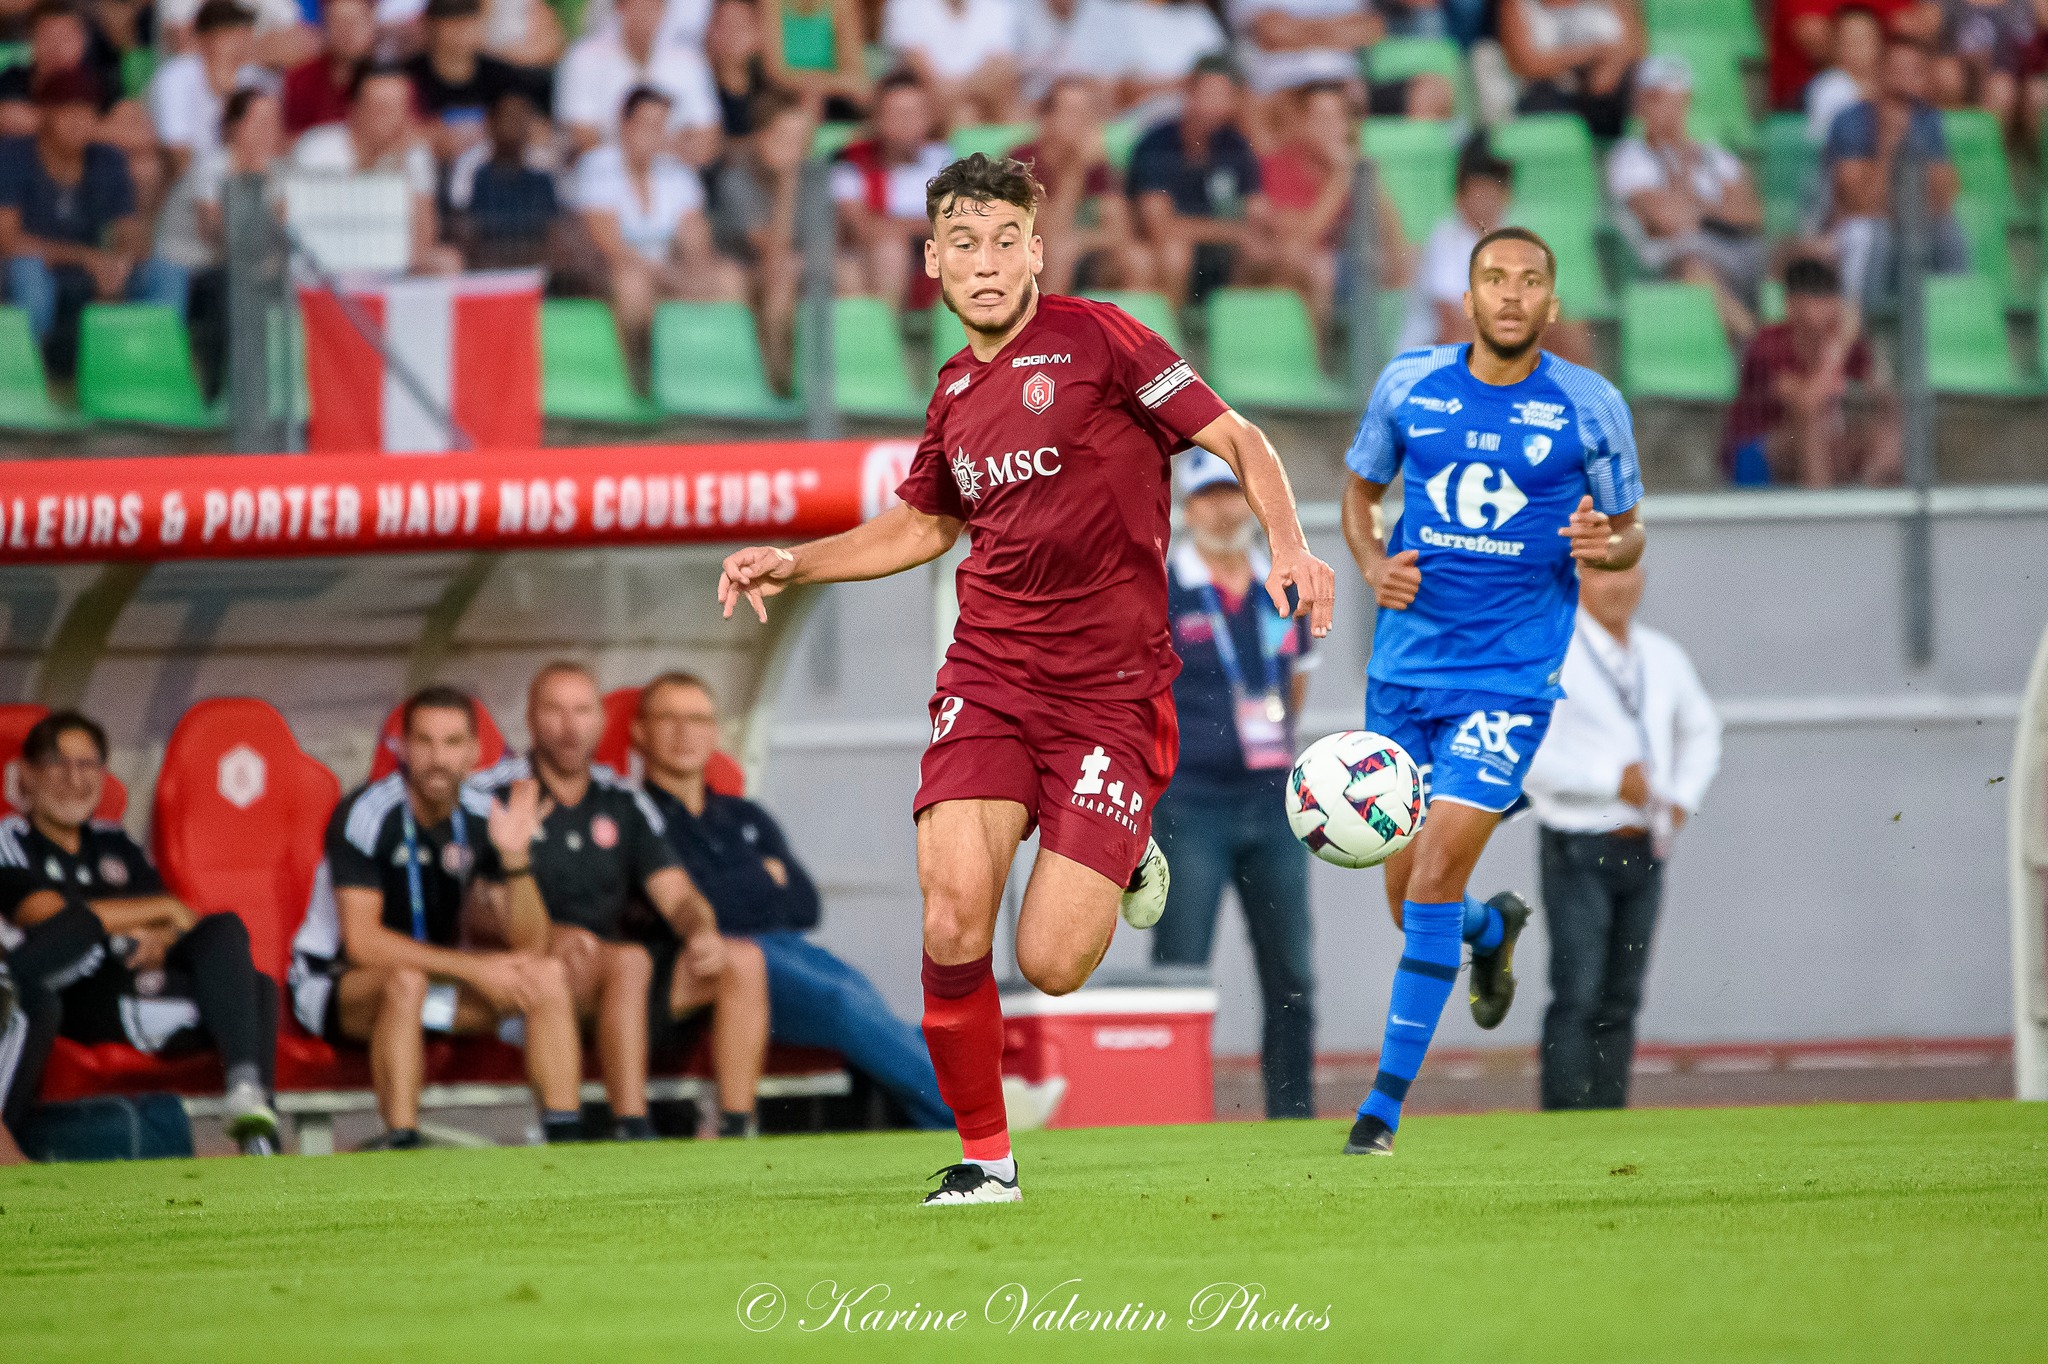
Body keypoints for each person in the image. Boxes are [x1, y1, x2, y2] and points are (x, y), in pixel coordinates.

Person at [717, 152, 1335, 1204]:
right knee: (953, 916)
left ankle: (1121, 840)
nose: (987, 260)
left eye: (1006, 239)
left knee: (1049, 959)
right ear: (932, 262)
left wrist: (1289, 541)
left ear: (1036, 251)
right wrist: (798, 556)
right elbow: (924, 521)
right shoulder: (953, 390)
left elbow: (1235, 433)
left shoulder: (1099, 337)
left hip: (1108, 694)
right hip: (991, 676)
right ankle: (986, 1160)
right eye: (964, 242)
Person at [1338, 223, 1644, 1155]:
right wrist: (1370, 558)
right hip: (1402, 675)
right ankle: (1491, 929)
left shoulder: (1590, 406)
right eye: (1494, 279)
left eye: (1530, 282)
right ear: (1468, 300)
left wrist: (1607, 547)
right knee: (1411, 902)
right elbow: (1359, 494)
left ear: (1551, 305)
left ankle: (1378, 1115)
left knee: (1429, 870)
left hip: (1509, 682)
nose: (1511, 295)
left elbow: (1629, 531)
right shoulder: (1408, 384)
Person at [633, 671, 953, 1131]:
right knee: (841, 1002)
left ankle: (961, 1104)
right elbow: (689, 907)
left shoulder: (745, 814)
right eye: (669, 719)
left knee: (862, 992)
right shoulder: (640, 816)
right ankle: (967, 1112)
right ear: (640, 731)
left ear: (716, 732)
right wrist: (760, 878)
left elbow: (804, 904)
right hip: (717, 963)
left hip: (784, 945)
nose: (685, 733)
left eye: (698, 719)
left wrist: (726, 887)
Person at [289, 686, 584, 1151]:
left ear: (473, 752)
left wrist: (515, 859)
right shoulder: (366, 812)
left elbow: (530, 943)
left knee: (546, 974)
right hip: (338, 984)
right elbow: (362, 943)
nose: (437, 758)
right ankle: (403, 1143)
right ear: (402, 748)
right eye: (424, 742)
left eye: (451, 743)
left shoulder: (485, 814)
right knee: (403, 982)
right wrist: (474, 968)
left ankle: (568, 1140)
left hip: (438, 982)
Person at [488, 663, 770, 1140]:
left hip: (622, 987)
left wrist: (700, 931)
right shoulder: (496, 796)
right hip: (537, 980)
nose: (570, 726)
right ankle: (630, 1126)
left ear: (601, 720)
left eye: (582, 710)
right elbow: (478, 913)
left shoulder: (622, 801)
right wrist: (552, 934)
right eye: (555, 710)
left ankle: (737, 1129)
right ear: (531, 720)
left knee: (741, 959)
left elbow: (677, 892)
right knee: (624, 962)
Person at [0, 711, 282, 1155]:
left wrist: (160, 934)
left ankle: (250, 1104)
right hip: (74, 993)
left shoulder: (115, 843)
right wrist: (155, 912)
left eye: (86, 765)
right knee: (83, 925)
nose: (74, 779)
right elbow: (50, 917)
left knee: (240, 956)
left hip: (142, 985)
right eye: (59, 764)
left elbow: (181, 923)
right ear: (27, 776)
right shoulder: (13, 839)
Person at [1151, 450, 1321, 1120]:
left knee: (1292, 972)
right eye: (1210, 497)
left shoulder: (1281, 584)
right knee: (1181, 971)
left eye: (1233, 495)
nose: (1224, 509)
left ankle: (1293, 1115)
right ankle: (1175, 1114)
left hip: (1274, 801)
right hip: (1189, 802)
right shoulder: (1162, 587)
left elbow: (1297, 678)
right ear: (1186, 510)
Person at [1523, 561, 1719, 1111]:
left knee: (1623, 995)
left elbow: (1702, 729)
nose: (1618, 585)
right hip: (1577, 840)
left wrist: (1681, 795)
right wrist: (1612, 781)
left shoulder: (1661, 655)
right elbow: (1526, 756)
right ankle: (1564, 1119)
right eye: (1602, 572)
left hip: (1645, 844)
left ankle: (1608, 1115)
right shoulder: (1551, 653)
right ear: (1578, 576)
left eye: (1627, 570)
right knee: (1578, 992)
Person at [0, 67, 186, 373]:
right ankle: (24, 375)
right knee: (27, 271)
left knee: (166, 272)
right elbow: (7, 240)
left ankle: (152, 370)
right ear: (45, 113)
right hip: (25, 269)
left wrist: (121, 260)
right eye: (68, 112)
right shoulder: (13, 154)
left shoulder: (106, 157)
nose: (78, 123)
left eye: (87, 113)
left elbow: (129, 229)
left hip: (87, 269)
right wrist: (85, 257)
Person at [573, 85, 743, 378]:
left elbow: (696, 239)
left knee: (729, 279)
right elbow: (608, 243)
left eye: (661, 126)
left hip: (666, 268)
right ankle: (640, 378)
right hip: (613, 271)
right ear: (625, 126)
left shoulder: (677, 173)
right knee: (632, 285)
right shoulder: (597, 166)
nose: (654, 134)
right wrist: (663, 275)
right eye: (647, 125)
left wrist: (687, 272)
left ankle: (716, 375)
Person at [1397, 131, 1597, 365]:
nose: (1489, 200)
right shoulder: (1447, 237)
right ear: (1461, 194)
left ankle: (1570, 400)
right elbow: (1451, 322)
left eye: (1496, 189)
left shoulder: (1517, 238)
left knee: (1565, 329)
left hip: (1493, 350)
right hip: (1430, 361)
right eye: (1480, 190)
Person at [1606, 54, 1767, 344]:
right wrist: (1711, 205)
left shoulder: (1712, 154)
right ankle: (1758, 345)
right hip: (1667, 261)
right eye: (1654, 99)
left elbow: (1751, 214)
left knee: (1790, 257)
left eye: (1670, 99)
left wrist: (1692, 201)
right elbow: (1666, 221)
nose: (1662, 108)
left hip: (1733, 248)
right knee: (1694, 269)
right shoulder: (1629, 157)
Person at [1720, 255, 1901, 487]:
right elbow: (1806, 402)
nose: (1826, 308)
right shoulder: (1767, 343)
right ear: (1791, 304)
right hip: (1758, 449)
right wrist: (1839, 347)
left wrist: (1886, 403)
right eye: (1815, 298)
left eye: (1830, 297)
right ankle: (1821, 512)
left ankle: (1872, 505)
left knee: (1893, 418)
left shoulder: (1851, 345)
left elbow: (1877, 394)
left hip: (1825, 442)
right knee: (1809, 417)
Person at [1822, 34, 1969, 310]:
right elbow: (1859, 205)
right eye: (1896, 71)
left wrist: (1919, 145)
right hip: (1852, 229)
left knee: (1949, 233)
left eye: (1914, 72)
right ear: (1879, 74)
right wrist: (1888, 145)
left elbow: (1943, 201)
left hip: (1909, 219)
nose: (1904, 81)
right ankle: (1868, 329)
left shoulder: (1928, 120)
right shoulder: (1849, 122)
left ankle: (1952, 322)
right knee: (1878, 235)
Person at [1259, 79, 1410, 333]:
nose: (1330, 127)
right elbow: (1301, 239)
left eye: (1337, 118)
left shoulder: (1354, 165)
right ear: (1304, 123)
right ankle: (1321, 363)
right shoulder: (1280, 164)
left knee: (1414, 261)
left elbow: (1396, 245)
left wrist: (1369, 181)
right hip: (1299, 270)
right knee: (1318, 267)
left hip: (1350, 264)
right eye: (1321, 118)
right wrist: (1340, 178)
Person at [1127, 55, 1277, 310]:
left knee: (1262, 253)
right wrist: (1232, 232)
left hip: (1221, 251)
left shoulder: (1236, 145)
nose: (1212, 105)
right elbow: (1158, 225)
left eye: (1223, 96)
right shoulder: (1157, 143)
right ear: (1189, 93)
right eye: (1207, 94)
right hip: (1169, 248)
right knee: (1175, 254)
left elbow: (1256, 213)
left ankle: (1234, 335)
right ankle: (1165, 343)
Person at [292, 62, 465, 275]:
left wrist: (400, 163)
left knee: (447, 261)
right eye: (382, 108)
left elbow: (423, 244)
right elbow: (324, 231)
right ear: (355, 110)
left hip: (389, 269)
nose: (393, 119)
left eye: (400, 107)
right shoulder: (320, 149)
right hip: (327, 271)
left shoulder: (414, 155)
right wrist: (374, 163)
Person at [1005, 76, 1154, 296]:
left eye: (1086, 114)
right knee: (1058, 252)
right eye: (1072, 113)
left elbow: (1120, 230)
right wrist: (1076, 168)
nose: (1081, 122)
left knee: (1139, 259)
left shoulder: (1096, 163)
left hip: (1079, 249)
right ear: (1048, 119)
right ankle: (1044, 326)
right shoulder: (1022, 161)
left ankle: (1122, 330)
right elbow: (1047, 233)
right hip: (1022, 253)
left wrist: (1081, 241)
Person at [710, 85, 810, 392]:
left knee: (847, 275)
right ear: (762, 137)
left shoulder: (815, 178)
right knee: (782, 272)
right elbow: (772, 250)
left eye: (800, 140)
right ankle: (779, 381)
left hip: (799, 271)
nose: (795, 149)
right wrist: (788, 184)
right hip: (746, 275)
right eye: (785, 138)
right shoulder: (736, 179)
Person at [829, 72, 953, 306]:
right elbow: (861, 228)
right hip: (873, 260)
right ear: (877, 119)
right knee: (888, 251)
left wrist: (894, 226)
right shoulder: (852, 165)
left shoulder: (946, 162)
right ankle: (887, 338)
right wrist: (923, 226)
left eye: (914, 113)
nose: (907, 122)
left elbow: (958, 223)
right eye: (897, 114)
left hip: (938, 262)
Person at [557, 0, 720, 164]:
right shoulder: (584, 57)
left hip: (675, 179)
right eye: (639, 4)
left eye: (654, 5)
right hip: (604, 177)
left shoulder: (688, 59)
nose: (646, 13)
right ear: (620, 6)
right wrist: (668, 146)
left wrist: (639, 147)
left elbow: (707, 143)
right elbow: (582, 139)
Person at [146, 0, 264, 180]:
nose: (242, 43)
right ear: (206, 39)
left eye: (246, 34)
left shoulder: (250, 77)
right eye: (232, 34)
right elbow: (178, 153)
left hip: (234, 180)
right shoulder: (177, 76)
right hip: (180, 186)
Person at [446, 87, 562, 271]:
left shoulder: (543, 168)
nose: (515, 127)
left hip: (536, 261)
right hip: (483, 264)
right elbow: (461, 225)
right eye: (508, 118)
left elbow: (555, 228)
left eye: (521, 119)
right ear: (491, 123)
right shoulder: (470, 166)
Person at [403, 0, 530, 167]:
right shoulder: (408, 76)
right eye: (453, 24)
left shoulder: (503, 75)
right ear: (431, 26)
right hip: (426, 168)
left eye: (468, 22)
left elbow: (529, 127)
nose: (462, 32)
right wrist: (429, 137)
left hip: (490, 170)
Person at [1497, 0, 1644, 138]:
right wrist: (1592, 52)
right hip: (1546, 95)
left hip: (1612, 91)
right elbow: (1525, 63)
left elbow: (1634, 49)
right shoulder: (1518, 4)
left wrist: (1607, 70)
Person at [882, 0, 1022, 124]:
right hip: (930, 105)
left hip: (981, 104)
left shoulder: (996, 6)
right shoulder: (906, 5)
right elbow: (925, 77)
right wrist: (973, 85)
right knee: (964, 116)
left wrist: (957, 90)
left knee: (1014, 112)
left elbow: (999, 70)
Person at [281, 0, 377, 136]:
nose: (347, 33)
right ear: (325, 27)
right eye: (338, 23)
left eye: (354, 23)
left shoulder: (394, 81)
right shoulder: (301, 79)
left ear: (371, 24)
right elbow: (289, 139)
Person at [761, 0, 869, 119]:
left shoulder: (842, 4)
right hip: (784, 96)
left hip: (832, 96)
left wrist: (818, 85)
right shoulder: (771, 4)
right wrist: (809, 86)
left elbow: (854, 73)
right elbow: (774, 72)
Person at [1806, 3, 1884, 142]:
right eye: (1849, 42)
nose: (1857, 49)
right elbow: (1823, 138)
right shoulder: (1827, 86)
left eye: (1863, 40)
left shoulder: (1890, 82)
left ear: (1879, 43)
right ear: (1835, 46)